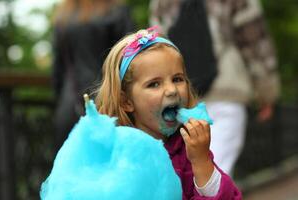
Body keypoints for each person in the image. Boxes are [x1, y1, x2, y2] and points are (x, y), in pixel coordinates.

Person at [94, 27, 242, 199]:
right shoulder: (116, 159)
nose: (172, 90)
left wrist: (202, 162)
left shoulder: (190, 152)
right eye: (154, 84)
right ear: (126, 102)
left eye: (177, 79)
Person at [150, 0, 280, 176]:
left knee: (190, 174)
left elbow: (158, 46)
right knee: (216, 174)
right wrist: (267, 92)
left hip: (181, 98)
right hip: (226, 90)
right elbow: (255, 40)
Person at [52, 0, 135, 151]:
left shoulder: (63, 18)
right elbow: (130, 60)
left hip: (69, 108)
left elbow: (58, 71)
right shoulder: (117, 12)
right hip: (109, 104)